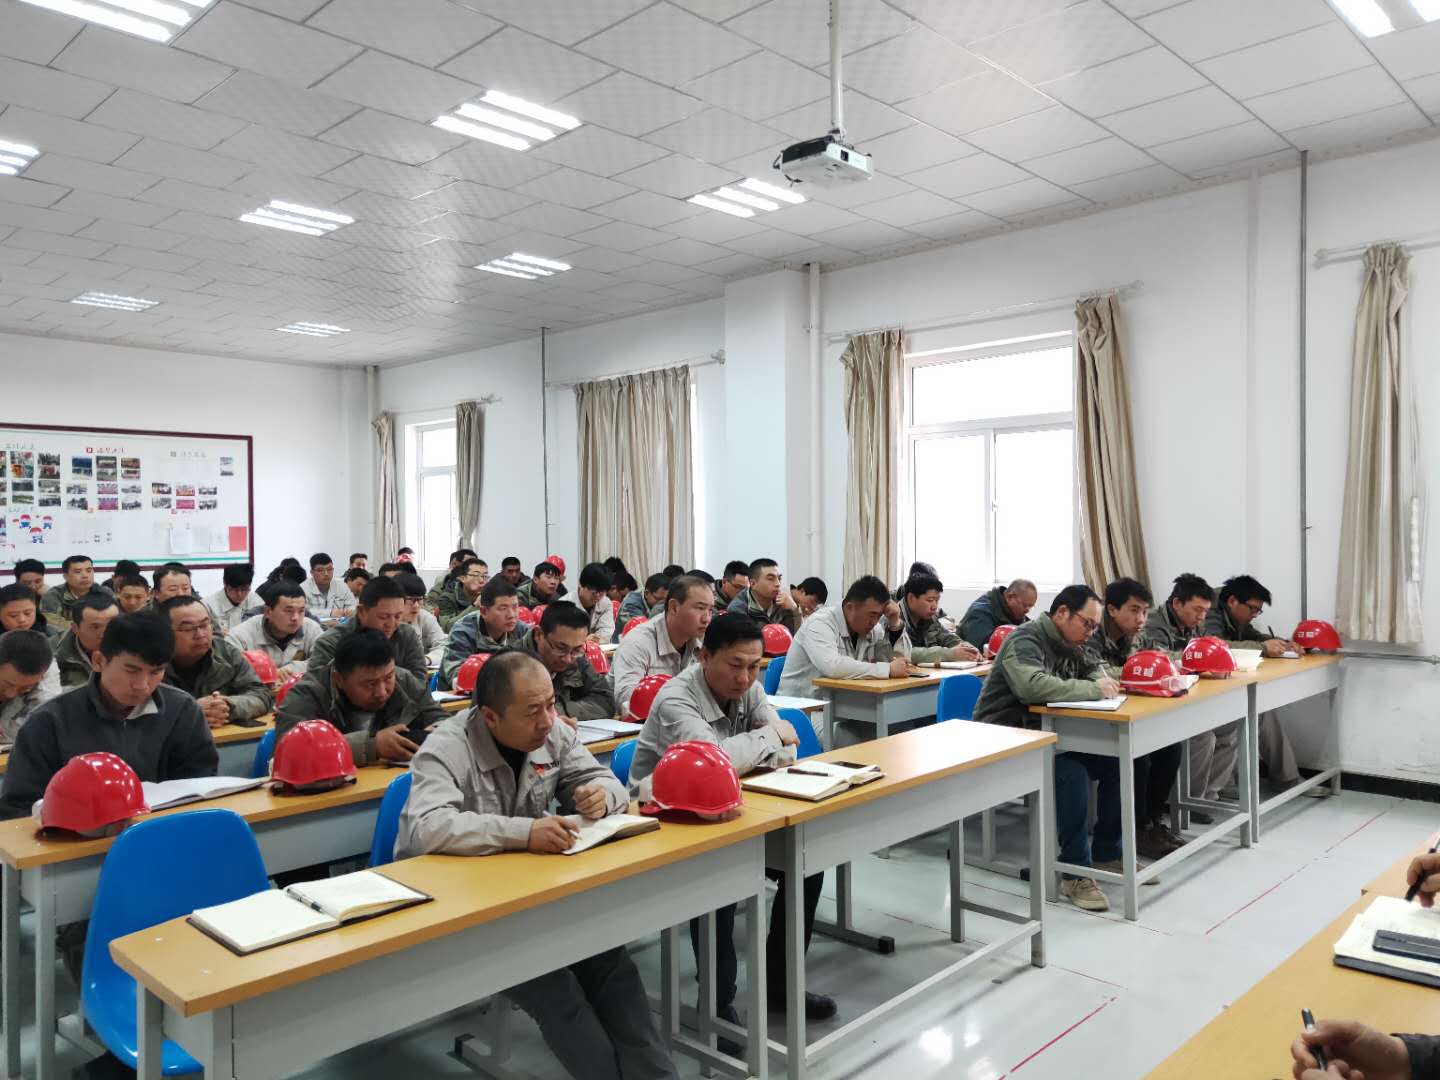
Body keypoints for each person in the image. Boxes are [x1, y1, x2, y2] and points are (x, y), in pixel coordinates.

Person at [397, 651, 676, 1080]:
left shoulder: (551, 731)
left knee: (613, 966)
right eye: (533, 711)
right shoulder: (446, 748)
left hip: (531, 896)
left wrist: (600, 796)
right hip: (464, 913)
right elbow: (428, 828)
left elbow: (608, 782)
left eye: (550, 704)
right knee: (558, 991)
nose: (548, 721)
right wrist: (524, 832)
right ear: (490, 716)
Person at [630, 614, 832, 1025]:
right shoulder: (675, 699)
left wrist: (760, 746)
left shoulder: (750, 686)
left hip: (734, 805)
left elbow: (787, 747)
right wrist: (767, 739)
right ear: (705, 657)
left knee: (805, 865)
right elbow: (714, 760)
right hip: (667, 820)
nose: (745, 678)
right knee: (721, 881)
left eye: (754, 666)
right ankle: (717, 1003)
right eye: (735, 665)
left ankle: (781, 984)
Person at [973, 585, 1125, 912]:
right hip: (1003, 740)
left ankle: (1107, 852)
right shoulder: (1025, 639)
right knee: (1071, 773)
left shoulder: (1071, 642)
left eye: (1095, 626)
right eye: (1087, 623)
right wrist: (1093, 689)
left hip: (1047, 737)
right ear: (1062, 613)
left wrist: (1113, 679)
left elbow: (1097, 672)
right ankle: (1073, 872)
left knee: (1117, 763)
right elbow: (1032, 687)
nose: (1091, 632)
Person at [0, 611, 218, 819]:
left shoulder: (182, 711)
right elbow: (19, 807)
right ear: (99, 661)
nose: (142, 685)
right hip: (73, 839)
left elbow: (201, 785)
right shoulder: (49, 721)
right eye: (131, 670)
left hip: (162, 830)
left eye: (155, 672)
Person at [1084, 578, 1185, 860]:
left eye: (1145, 612)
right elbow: (1099, 673)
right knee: (1138, 756)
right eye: (1134, 610)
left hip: (1126, 712)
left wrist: (1180, 663)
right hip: (1094, 717)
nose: (1141, 619)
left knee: (1170, 747)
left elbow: (1161, 658)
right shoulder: (1090, 634)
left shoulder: (1137, 636)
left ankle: (1152, 822)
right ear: (1112, 610)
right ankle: (1135, 829)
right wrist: (1143, 671)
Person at [276, 629, 444, 766]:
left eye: (388, 678)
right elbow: (289, 753)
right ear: (339, 679)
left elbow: (440, 719)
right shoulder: (306, 695)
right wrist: (371, 746)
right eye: (370, 684)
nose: (382, 692)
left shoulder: (403, 680)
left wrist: (437, 732)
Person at [1139, 573, 1228, 820]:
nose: (1202, 617)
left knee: (1231, 727)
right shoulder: (1153, 623)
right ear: (1177, 603)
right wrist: (1202, 659)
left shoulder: (1193, 623)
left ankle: (1207, 795)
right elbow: (1162, 661)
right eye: (1197, 610)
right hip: (1158, 703)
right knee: (1204, 737)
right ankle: (1187, 802)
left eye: (1205, 611)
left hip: (1185, 696)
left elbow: (1195, 655)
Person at [1207, 574, 1303, 791]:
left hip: (1222, 681)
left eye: (1258, 611)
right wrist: (1262, 648)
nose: (1254, 615)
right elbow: (1215, 646)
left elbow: (1251, 635)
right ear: (1232, 601)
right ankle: (1222, 786)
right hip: (1202, 686)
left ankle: (1287, 779)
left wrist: (1284, 644)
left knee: (1262, 710)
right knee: (1245, 714)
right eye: (1252, 609)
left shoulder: (1234, 614)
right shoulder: (1209, 612)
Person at [776, 576, 912, 699]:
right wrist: (886, 669)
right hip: (801, 708)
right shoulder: (820, 623)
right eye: (872, 615)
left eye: (879, 615)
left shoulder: (872, 629)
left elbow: (901, 663)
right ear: (850, 607)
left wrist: (895, 623)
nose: (875, 622)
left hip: (841, 705)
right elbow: (832, 667)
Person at [159, 595, 272, 729]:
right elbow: (139, 709)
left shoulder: (226, 653)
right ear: (164, 633)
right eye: (188, 629)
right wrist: (189, 710)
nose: (200, 634)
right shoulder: (149, 664)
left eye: (204, 624)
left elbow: (261, 695)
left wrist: (227, 706)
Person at [612, 574, 713, 716]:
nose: (707, 619)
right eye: (700, 608)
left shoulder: (701, 642)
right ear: (674, 607)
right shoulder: (638, 641)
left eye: (710, 610)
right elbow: (627, 698)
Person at [308, 575, 428, 682]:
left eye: (398, 616)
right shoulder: (330, 643)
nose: (391, 624)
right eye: (384, 617)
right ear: (361, 611)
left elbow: (420, 685)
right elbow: (316, 689)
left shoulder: (407, 635)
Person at [517, 601, 616, 725]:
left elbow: (606, 701)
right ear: (539, 635)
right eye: (560, 648)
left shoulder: (577, 659)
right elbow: (519, 714)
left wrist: (557, 712)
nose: (568, 659)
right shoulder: (511, 665)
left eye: (576, 649)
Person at [439, 577, 531, 687]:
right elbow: (457, 674)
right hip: (458, 694)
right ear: (483, 611)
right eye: (503, 608)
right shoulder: (463, 631)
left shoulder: (521, 629)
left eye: (515, 607)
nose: (511, 615)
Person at [228, 580, 323, 679]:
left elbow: (324, 660)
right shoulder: (240, 636)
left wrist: (291, 670)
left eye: (301, 611)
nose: (295, 617)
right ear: (268, 611)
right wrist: (268, 673)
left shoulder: (312, 629)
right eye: (289, 611)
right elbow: (230, 670)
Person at [898, 572, 981, 665]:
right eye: (930, 600)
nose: (934, 606)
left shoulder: (930, 618)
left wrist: (969, 650)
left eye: (937, 600)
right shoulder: (893, 618)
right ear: (911, 598)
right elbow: (903, 653)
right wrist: (950, 654)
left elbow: (949, 639)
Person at [0, 630, 58, 744]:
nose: (10, 694)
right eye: (5, 684)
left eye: (24, 688)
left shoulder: (46, 686)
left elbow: (32, 732)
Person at [54, 592, 121, 689]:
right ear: (75, 628)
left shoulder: (137, 646)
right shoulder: (51, 654)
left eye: (112, 625)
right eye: (95, 627)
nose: (105, 634)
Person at [959, 578, 1038, 651]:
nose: (1027, 611)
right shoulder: (979, 612)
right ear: (1010, 597)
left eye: (1030, 607)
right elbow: (985, 647)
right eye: (1025, 605)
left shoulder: (1016, 614)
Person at [726, 558, 799, 631]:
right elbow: (744, 638)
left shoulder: (784, 602)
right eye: (771, 579)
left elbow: (797, 636)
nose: (778, 584)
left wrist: (795, 610)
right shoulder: (737, 609)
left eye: (779, 578)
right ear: (753, 584)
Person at [39, 555, 111, 623]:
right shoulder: (53, 595)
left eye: (89, 571)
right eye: (78, 572)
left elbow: (113, 619)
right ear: (65, 576)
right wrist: (85, 628)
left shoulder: (105, 592)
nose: (85, 576)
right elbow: (52, 624)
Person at [396, 571, 446, 666]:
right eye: (411, 600)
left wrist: (426, 660)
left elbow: (444, 646)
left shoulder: (425, 617)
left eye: (419, 599)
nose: (416, 606)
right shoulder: (386, 621)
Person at [203, 563, 263, 634]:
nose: (239, 594)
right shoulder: (207, 605)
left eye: (244, 589)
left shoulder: (256, 602)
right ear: (225, 584)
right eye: (235, 589)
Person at [436, 557, 489, 632]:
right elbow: (448, 628)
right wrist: (474, 606)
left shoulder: (491, 596)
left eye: (485, 576)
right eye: (476, 575)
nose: (482, 580)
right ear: (463, 578)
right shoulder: (447, 598)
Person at [302, 552, 354, 617]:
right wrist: (329, 613)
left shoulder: (341, 586)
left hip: (340, 622)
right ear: (312, 572)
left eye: (329, 569)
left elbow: (352, 605)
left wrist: (349, 611)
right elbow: (303, 611)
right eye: (320, 570)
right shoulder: (303, 589)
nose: (326, 574)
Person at [617, 573, 665, 640]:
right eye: (659, 599)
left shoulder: (653, 597)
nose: (662, 604)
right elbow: (645, 632)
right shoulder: (631, 605)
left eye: (665, 600)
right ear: (647, 594)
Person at [575, 563, 615, 643]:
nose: (597, 595)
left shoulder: (606, 603)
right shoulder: (564, 604)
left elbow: (607, 629)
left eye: (602, 591)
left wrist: (594, 639)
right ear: (581, 584)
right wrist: (583, 641)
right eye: (593, 590)